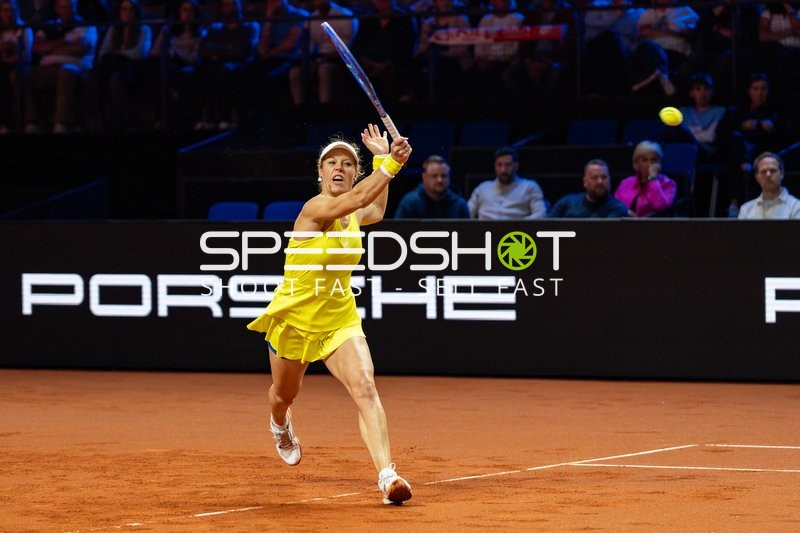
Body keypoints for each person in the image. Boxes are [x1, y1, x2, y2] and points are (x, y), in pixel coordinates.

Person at [247, 124, 414, 505]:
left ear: (355, 174)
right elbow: (358, 199)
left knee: (366, 387)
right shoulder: (315, 209)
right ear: (320, 173)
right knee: (283, 394)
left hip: (339, 317)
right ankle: (279, 424)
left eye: (348, 164)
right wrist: (391, 164)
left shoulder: (354, 210)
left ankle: (387, 476)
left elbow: (375, 208)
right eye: (331, 162)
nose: (339, 167)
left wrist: (381, 161)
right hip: (294, 318)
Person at [24, 0, 98, 133]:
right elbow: (37, 47)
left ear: (76, 8)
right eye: (63, 7)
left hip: (77, 67)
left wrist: (50, 47)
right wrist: (65, 42)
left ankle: (61, 123)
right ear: (57, 9)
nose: (68, 10)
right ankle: (32, 122)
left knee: (66, 72)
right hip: (49, 67)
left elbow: (80, 49)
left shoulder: (87, 26)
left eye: (71, 7)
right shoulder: (48, 26)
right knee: (27, 74)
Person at [94, 0, 152, 131]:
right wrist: (114, 57)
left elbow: (141, 52)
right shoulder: (114, 29)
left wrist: (120, 55)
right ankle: (99, 119)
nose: (127, 13)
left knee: (116, 78)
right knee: (97, 75)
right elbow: (103, 51)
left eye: (131, 9)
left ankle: (121, 120)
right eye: (124, 9)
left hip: (134, 67)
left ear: (136, 12)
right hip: (114, 64)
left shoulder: (144, 29)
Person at [468, 146, 547, 219]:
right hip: (484, 232)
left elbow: (541, 214)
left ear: (516, 166)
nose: (503, 170)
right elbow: (467, 214)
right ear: (494, 166)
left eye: (508, 165)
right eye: (499, 165)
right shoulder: (482, 188)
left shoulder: (529, 187)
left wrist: (521, 225)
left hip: (515, 232)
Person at [614, 140, 677, 217]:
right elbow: (615, 206)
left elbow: (660, 206)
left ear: (660, 163)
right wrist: (628, 212)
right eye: (645, 160)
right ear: (636, 163)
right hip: (626, 224)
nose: (649, 164)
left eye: (654, 160)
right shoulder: (626, 183)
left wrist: (653, 179)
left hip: (655, 226)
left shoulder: (668, 184)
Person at [394, 154, 469, 218]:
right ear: (424, 177)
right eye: (434, 176)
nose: (440, 180)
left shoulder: (460, 205)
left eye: (444, 176)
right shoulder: (410, 203)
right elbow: (398, 230)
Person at [548, 159, 628, 218]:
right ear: (585, 182)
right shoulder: (566, 203)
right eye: (595, 177)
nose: (600, 181)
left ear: (609, 180)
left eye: (604, 177)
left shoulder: (617, 208)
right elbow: (544, 227)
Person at [0, 0, 32, 133]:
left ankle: (17, 123)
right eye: (6, 10)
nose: (10, 14)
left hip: (20, 65)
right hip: (3, 65)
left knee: (12, 76)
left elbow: (27, 54)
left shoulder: (24, 29)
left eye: (13, 10)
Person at [738, 151, 800, 220]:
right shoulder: (746, 210)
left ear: (782, 174)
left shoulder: (796, 207)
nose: (768, 175)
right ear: (757, 177)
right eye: (763, 171)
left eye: (773, 170)